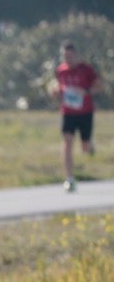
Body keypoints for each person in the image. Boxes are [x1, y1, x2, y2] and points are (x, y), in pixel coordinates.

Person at [49, 40, 101, 192]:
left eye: (71, 55)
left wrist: (85, 92)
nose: (68, 59)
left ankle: (89, 143)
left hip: (85, 112)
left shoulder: (86, 69)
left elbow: (99, 86)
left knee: (85, 148)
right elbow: (59, 89)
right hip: (68, 112)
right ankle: (69, 178)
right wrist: (56, 93)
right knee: (67, 142)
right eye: (65, 56)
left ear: (76, 55)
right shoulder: (60, 71)